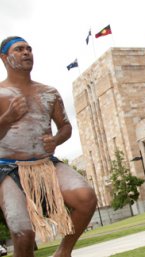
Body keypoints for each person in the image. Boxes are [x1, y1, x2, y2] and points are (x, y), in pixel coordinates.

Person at [0, 36, 97, 257]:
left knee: (86, 198)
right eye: (19, 49)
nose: (26, 52)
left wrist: (55, 141)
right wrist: (7, 118)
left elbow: (65, 127)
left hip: (45, 163)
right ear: (4, 57)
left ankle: (63, 252)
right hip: (7, 168)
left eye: (29, 49)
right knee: (23, 233)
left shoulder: (49, 92)